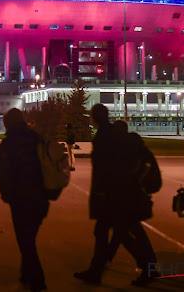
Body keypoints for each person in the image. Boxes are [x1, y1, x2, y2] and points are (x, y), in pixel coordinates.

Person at [74, 104, 158, 287]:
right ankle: (96, 271)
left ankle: (149, 268)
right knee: (111, 232)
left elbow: (103, 171)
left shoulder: (103, 138)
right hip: (123, 193)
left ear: (94, 118)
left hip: (113, 196)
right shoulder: (116, 135)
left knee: (125, 235)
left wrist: (98, 194)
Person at [0, 108, 49, 292]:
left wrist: (6, 195)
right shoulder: (37, 139)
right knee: (29, 237)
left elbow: (2, 173)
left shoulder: (7, 145)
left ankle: (38, 282)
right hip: (41, 198)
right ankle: (26, 274)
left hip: (20, 200)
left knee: (25, 241)